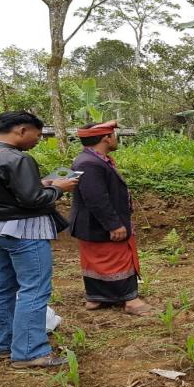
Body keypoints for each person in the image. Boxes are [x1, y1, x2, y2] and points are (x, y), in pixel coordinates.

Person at [0, 111, 79, 368]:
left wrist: (41, 183)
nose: (38, 140)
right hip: (24, 231)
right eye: (37, 135)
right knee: (34, 288)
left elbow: (0, 190)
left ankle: (2, 344)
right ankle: (30, 351)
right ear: (21, 130)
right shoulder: (17, 158)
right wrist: (57, 189)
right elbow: (33, 200)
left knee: (1, 286)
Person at [70, 121, 153, 315]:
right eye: (114, 135)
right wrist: (114, 224)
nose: (115, 139)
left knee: (96, 260)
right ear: (106, 137)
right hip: (99, 223)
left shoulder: (90, 159)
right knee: (117, 258)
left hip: (91, 224)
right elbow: (96, 198)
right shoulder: (89, 163)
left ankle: (96, 298)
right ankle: (130, 300)